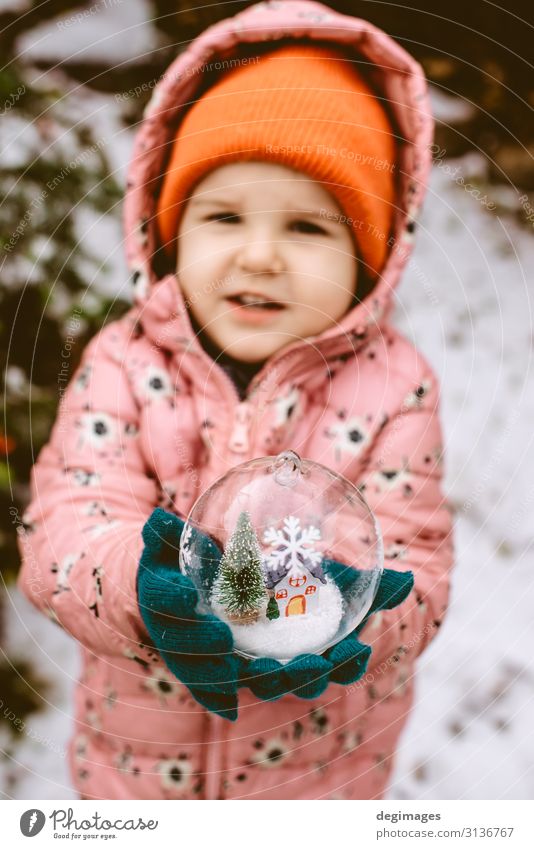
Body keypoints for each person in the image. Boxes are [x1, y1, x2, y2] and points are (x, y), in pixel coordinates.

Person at [17, 0, 454, 800]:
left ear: (371, 257)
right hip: (140, 777)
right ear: (171, 229)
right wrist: (142, 593)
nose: (260, 255)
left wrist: (368, 612)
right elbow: (65, 524)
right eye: (223, 216)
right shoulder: (123, 365)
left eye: (308, 228)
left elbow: (417, 563)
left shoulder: (396, 386)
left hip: (320, 781)